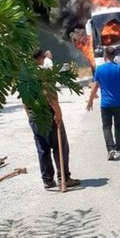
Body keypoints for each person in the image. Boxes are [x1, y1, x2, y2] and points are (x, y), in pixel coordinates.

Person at [27, 50, 81, 189]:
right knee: (59, 147)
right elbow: (50, 94)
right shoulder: (44, 73)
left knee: (42, 149)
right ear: (41, 58)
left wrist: (29, 115)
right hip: (48, 114)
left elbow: (25, 100)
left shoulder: (25, 76)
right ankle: (64, 178)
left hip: (34, 116)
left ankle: (47, 180)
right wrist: (58, 113)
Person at [85, 46, 120, 161]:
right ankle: (119, 147)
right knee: (118, 126)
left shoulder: (99, 69)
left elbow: (95, 87)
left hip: (105, 105)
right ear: (115, 56)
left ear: (105, 56)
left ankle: (110, 149)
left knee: (106, 127)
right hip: (119, 104)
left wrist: (90, 101)